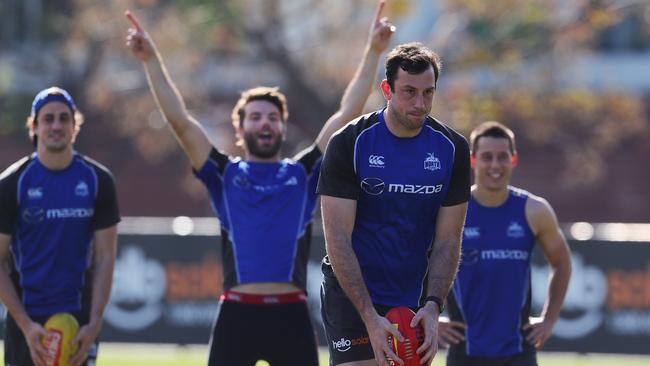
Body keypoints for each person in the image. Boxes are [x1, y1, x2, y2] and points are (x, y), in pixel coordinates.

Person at [125, 1, 395, 364]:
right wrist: (151, 60)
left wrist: (374, 51)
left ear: (283, 127)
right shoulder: (223, 174)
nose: (264, 123)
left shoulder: (303, 172)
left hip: (291, 315)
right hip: (237, 314)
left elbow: (346, 113)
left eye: (272, 117)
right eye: (255, 117)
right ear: (240, 129)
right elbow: (180, 121)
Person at [317, 41, 471, 366]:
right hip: (352, 293)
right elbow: (338, 239)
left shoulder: (453, 149)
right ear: (387, 89)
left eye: (428, 92)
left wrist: (433, 306)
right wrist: (370, 317)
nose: (420, 103)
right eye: (409, 92)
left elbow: (448, 239)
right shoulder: (349, 143)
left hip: (412, 298)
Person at [0, 86, 120, 366]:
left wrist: (94, 325)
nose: (56, 125)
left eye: (64, 118)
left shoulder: (98, 180)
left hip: (79, 321)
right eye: (48, 118)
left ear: (75, 125)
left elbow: (105, 257)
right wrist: (25, 325)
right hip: (27, 323)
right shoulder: (11, 185)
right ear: (34, 126)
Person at [437, 121, 572, 366]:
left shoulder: (534, 210)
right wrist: (429, 315)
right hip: (464, 353)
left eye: (502, 157)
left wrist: (549, 319)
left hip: (519, 352)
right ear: (472, 160)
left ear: (513, 159)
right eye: (487, 157)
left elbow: (562, 263)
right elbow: (415, 260)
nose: (495, 165)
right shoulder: (452, 210)